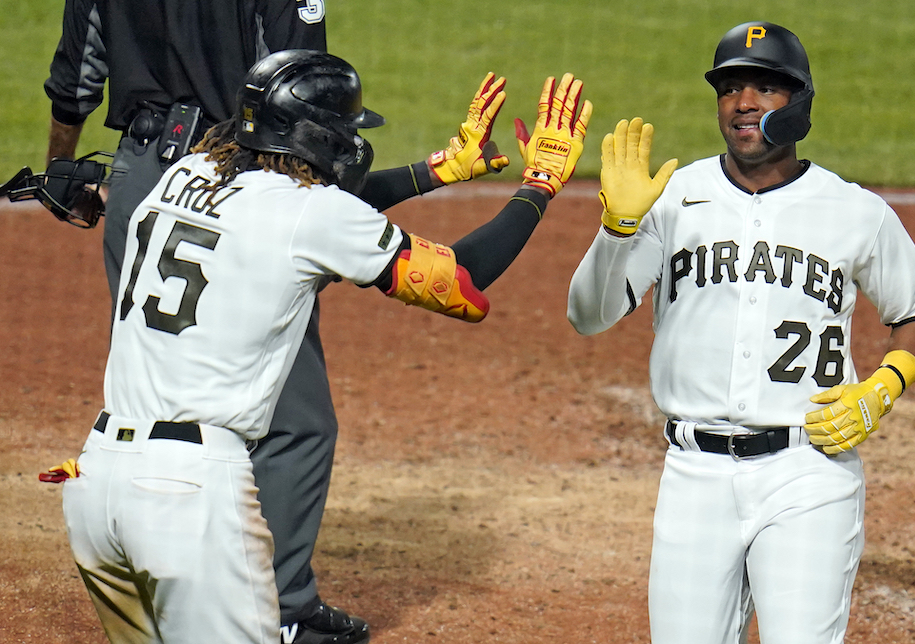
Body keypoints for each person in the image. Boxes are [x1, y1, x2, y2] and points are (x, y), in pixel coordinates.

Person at [56, 49, 591, 644]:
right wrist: (538, 187)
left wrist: (438, 171)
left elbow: (317, 220)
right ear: (319, 136)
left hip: (97, 483)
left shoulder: (188, 174)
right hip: (188, 499)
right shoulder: (309, 215)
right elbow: (463, 286)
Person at [566, 21, 915, 644]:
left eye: (765, 88)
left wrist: (882, 386)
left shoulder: (855, 211)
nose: (744, 103)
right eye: (731, 88)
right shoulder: (673, 197)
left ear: (799, 105)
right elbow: (589, 314)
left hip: (808, 472)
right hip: (693, 476)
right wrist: (618, 228)